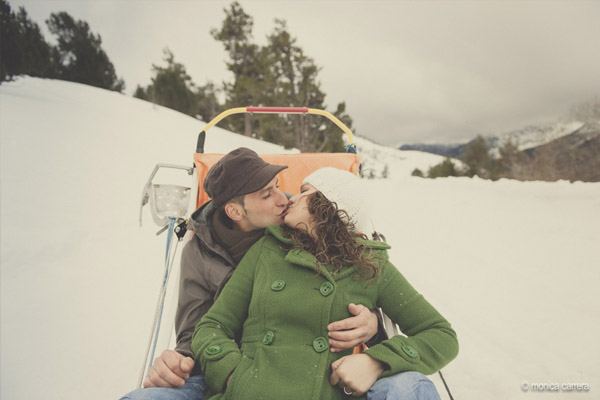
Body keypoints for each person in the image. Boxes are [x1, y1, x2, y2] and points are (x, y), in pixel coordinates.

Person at [120, 149, 380, 400]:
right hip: (224, 371)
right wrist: (179, 363)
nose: (284, 199)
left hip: (297, 370)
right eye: (267, 194)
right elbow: (195, 330)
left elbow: (357, 274)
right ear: (235, 212)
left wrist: (373, 323)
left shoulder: (300, 221)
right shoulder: (199, 252)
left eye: (278, 185)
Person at [192, 167, 459, 400]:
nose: (291, 199)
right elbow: (212, 325)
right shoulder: (268, 249)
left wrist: (375, 362)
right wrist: (232, 377)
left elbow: (441, 335)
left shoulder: (370, 266)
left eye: (304, 191)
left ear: (327, 205)